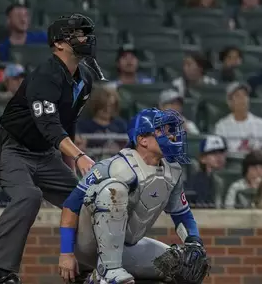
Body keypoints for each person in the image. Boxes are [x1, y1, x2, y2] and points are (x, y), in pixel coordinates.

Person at [0, 14, 98, 284]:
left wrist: (70, 165)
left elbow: (68, 125)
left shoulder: (85, 78)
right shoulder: (45, 74)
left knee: (87, 199)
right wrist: (78, 155)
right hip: (14, 148)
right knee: (28, 197)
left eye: (84, 33)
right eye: (76, 34)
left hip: (46, 154)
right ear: (59, 44)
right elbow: (50, 126)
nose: (84, 38)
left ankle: (86, 269)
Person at [57, 108, 210, 284]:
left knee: (182, 265)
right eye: (161, 130)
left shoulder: (172, 171)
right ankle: (107, 271)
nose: (171, 136)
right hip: (89, 244)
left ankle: (98, 277)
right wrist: (66, 253)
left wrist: (193, 241)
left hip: (127, 245)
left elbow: (182, 213)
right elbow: (70, 206)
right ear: (142, 139)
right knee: (113, 190)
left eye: (170, 131)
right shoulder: (112, 166)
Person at [214, 82, 262, 153]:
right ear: (230, 102)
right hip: (233, 162)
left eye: (245, 95)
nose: (243, 99)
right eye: (238, 96)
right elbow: (219, 153)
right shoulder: (221, 126)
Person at [76, 85, 128, 149]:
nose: (108, 110)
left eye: (111, 106)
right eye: (104, 107)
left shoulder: (120, 125)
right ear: (96, 106)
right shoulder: (83, 126)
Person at [184, 135, 227, 207]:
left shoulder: (219, 180)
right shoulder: (196, 182)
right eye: (213, 153)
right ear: (202, 158)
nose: (219, 157)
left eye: (221, 152)